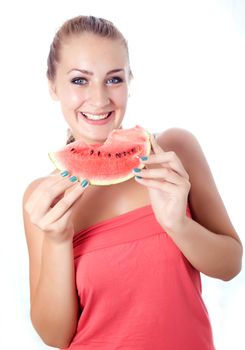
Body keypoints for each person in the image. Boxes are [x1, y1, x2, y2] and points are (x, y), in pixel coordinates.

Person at [22, 15, 243, 350]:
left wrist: (177, 224)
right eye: (80, 81)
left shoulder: (173, 150)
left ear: (129, 81)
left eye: (113, 79)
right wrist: (57, 240)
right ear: (53, 86)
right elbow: (56, 336)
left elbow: (230, 265)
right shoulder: (43, 200)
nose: (99, 99)